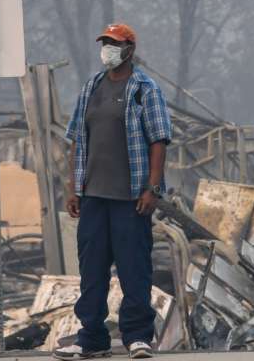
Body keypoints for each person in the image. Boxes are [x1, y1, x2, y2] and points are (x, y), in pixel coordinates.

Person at [52, 24, 173, 360]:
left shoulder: (144, 90)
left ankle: (137, 336)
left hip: (131, 198)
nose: (108, 49)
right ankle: (91, 337)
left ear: (130, 49)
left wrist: (152, 188)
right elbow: (76, 137)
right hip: (93, 196)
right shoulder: (92, 86)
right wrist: (74, 188)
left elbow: (159, 141)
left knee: (134, 268)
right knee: (92, 269)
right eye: (105, 43)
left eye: (114, 44)